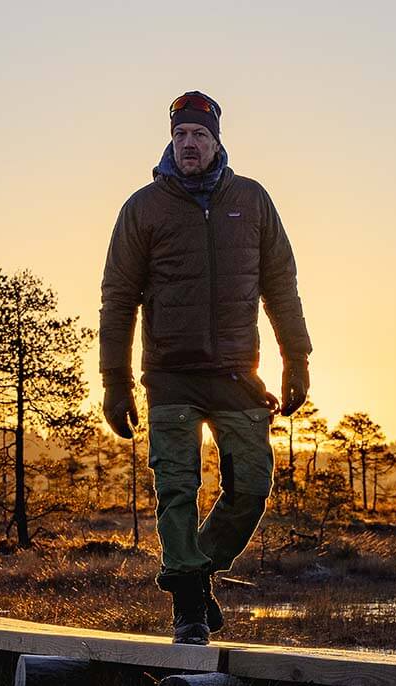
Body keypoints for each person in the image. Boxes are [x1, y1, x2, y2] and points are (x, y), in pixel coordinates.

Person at [98, 91, 313, 645]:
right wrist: (115, 383)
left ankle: (194, 573)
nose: (188, 144)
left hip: (239, 374)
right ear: (170, 142)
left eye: (198, 135)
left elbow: (280, 287)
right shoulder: (143, 209)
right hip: (169, 375)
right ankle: (190, 605)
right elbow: (118, 300)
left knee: (252, 485)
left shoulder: (253, 201)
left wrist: (297, 360)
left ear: (216, 140)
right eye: (179, 136)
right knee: (176, 487)